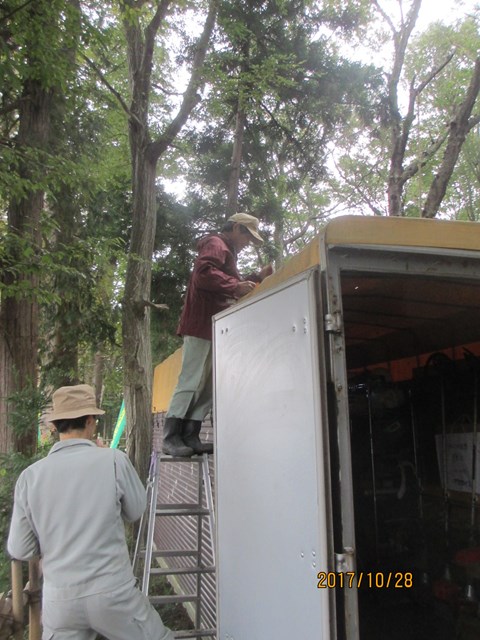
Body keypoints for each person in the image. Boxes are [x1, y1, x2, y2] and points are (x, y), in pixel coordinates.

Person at [7, 383, 174, 640]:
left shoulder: (30, 477)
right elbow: (136, 510)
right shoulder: (113, 460)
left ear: (55, 426)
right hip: (113, 593)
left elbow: (20, 549)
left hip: (60, 601)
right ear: (90, 421)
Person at [163, 212, 273, 457]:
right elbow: (204, 275)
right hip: (200, 324)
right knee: (191, 379)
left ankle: (191, 434)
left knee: (209, 384)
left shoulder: (226, 251)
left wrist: (256, 278)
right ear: (236, 228)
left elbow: (229, 282)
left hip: (215, 327)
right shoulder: (216, 244)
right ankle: (171, 436)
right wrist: (235, 286)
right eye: (247, 237)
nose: (247, 244)